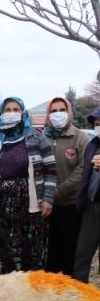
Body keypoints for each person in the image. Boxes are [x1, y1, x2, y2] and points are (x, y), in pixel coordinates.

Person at [0, 97, 56, 277]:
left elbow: (50, 169)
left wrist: (48, 198)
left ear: (23, 112)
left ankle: (28, 288)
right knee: (0, 244)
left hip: (28, 201)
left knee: (29, 246)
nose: (11, 113)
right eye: (8, 109)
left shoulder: (36, 137)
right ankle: (0, 286)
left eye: (15, 109)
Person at [42, 97, 88, 277]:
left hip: (70, 203)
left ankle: (70, 288)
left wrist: (59, 190)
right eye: (53, 111)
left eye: (62, 109)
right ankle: (50, 289)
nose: (58, 114)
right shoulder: (42, 136)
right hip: (46, 205)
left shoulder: (79, 137)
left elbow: (83, 168)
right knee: (49, 250)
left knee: (70, 249)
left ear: (69, 112)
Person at [73, 107, 100, 282]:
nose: (98, 127)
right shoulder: (93, 144)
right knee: (82, 255)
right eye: (96, 124)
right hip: (92, 206)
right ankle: (79, 298)